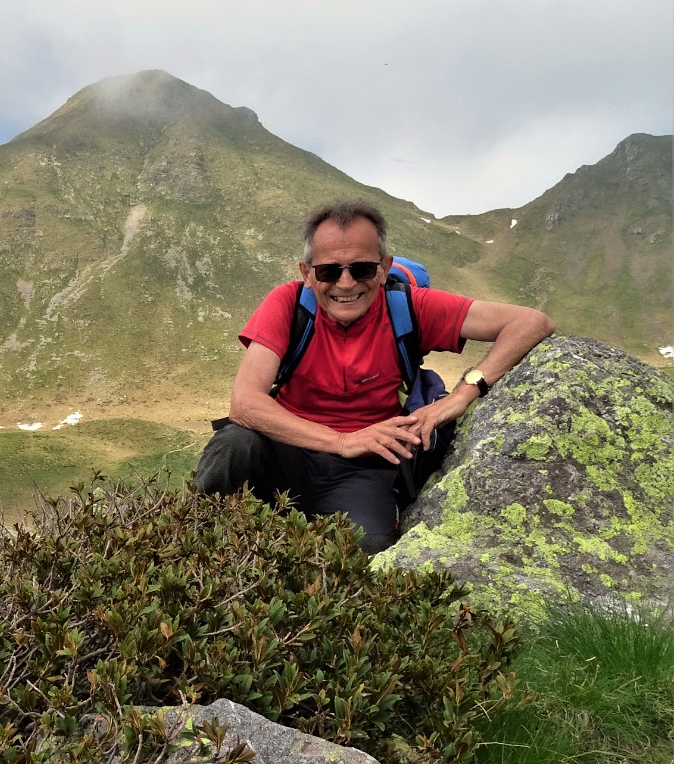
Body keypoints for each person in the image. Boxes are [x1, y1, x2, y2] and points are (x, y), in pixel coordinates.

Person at [193, 200, 554, 553]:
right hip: (287, 451)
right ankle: (193, 544)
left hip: (364, 468)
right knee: (233, 444)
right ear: (307, 273)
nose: (346, 284)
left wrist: (462, 395)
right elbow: (245, 405)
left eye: (362, 269)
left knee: (369, 547)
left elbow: (530, 322)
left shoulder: (409, 306)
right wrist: (341, 440)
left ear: (384, 268)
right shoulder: (287, 304)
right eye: (329, 271)